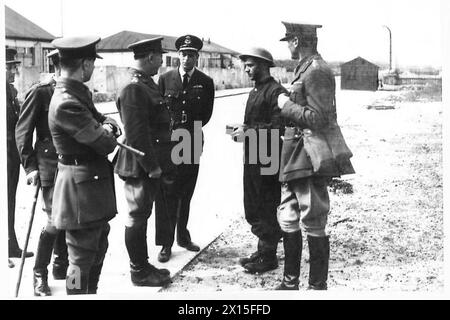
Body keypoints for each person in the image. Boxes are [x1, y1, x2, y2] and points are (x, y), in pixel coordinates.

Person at [275, 22, 354, 290]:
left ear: (297, 41)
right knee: (287, 215)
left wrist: (287, 106)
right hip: (294, 152)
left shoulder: (316, 71)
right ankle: (290, 283)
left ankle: (317, 287)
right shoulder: (304, 68)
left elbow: (319, 119)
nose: (288, 46)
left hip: (310, 154)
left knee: (313, 217)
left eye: (289, 41)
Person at [48, 36, 120, 294]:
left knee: (97, 248)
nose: (93, 68)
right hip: (80, 192)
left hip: (91, 187)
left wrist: (106, 126)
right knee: (78, 262)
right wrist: (107, 129)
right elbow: (105, 142)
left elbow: (104, 122)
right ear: (85, 64)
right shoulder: (67, 102)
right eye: (92, 62)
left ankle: (89, 294)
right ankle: (76, 295)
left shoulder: (78, 93)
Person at [114, 37, 172, 287]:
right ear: (150, 57)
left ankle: (144, 264)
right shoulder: (133, 87)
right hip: (140, 166)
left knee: (143, 214)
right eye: (160, 56)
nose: (161, 61)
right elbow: (137, 135)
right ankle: (138, 271)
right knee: (137, 216)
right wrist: (153, 167)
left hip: (147, 163)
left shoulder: (146, 83)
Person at [155, 34, 215, 262]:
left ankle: (182, 235)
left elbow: (206, 115)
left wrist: (189, 130)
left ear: (197, 57)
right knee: (167, 193)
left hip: (190, 140)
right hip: (170, 143)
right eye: (183, 54)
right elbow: (159, 111)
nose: (186, 59)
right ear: (177, 55)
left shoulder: (205, 82)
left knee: (186, 191)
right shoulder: (165, 78)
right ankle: (166, 243)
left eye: (191, 55)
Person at [15, 49, 69, 296]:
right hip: (48, 163)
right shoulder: (41, 91)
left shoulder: (77, 91)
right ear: (57, 66)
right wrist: (30, 166)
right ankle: (39, 274)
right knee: (54, 220)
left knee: (70, 218)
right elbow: (22, 132)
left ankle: (61, 265)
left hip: (73, 164)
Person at [230, 48, 288, 274]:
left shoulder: (276, 92)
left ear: (264, 66)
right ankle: (263, 248)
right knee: (253, 205)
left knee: (266, 206)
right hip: (253, 155)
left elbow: (278, 127)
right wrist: (243, 131)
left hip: (268, 156)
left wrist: (248, 130)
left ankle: (268, 256)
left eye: (250, 65)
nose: (246, 69)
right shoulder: (256, 90)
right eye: (244, 65)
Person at [5, 47, 34, 260]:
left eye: (15, 67)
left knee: (10, 202)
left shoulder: (10, 91)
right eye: (9, 67)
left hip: (11, 157)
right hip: (5, 157)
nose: (14, 72)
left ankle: (11, 246)